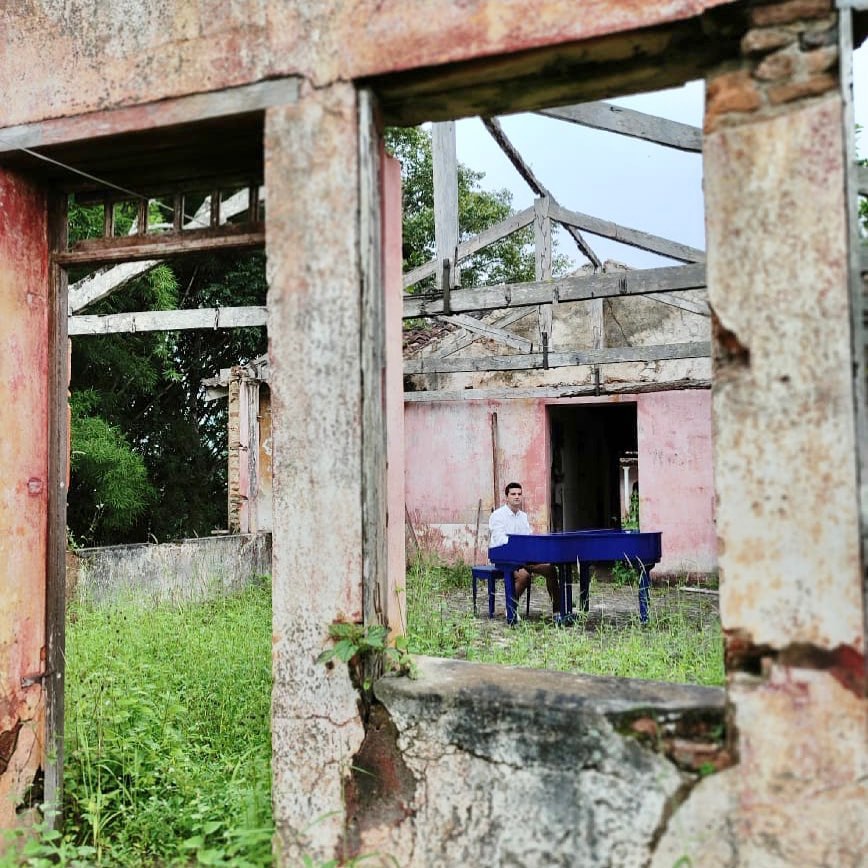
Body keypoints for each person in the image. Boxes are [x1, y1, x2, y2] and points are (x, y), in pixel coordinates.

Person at [488, 482, 561, 619]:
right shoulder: (498, 515)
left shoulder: (523, 516)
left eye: (519, 494)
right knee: (524, 576)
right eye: (513, 494)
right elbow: (499, 540)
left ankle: (557, 611)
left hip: (523, 558)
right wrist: (518, 545)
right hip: (505, 558)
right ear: (507, 497)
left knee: (550, 569)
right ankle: (510, 608)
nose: (517, 497)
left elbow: (527, 538)